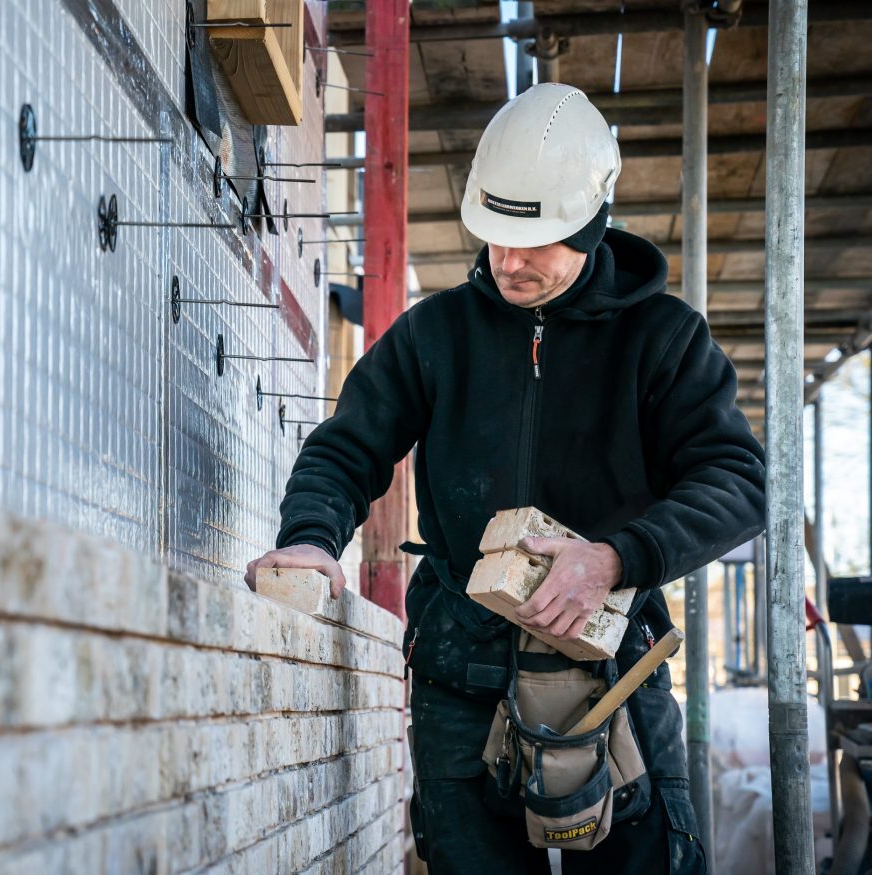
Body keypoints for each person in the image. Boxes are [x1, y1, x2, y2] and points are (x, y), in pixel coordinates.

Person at [244, 83, 764, 873]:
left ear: (589, 226)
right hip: (462, 675)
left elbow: (736, 482)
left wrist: (618, 557)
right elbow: (347, 446)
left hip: (614, 672)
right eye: (494, 239)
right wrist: (311, 538)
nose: (509, 262)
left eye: (535, 245)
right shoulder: (437, 334)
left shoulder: (664, 341)